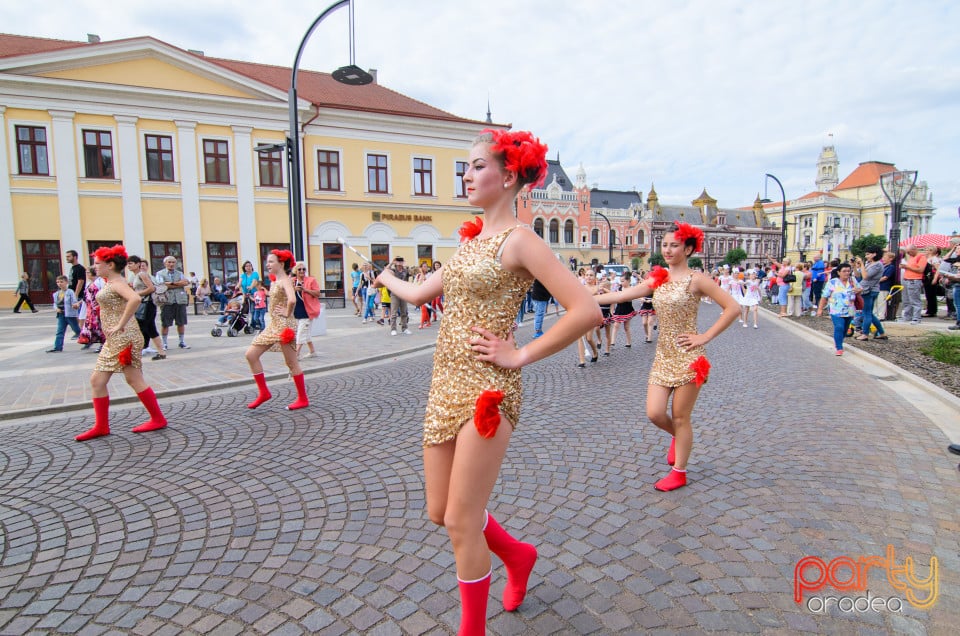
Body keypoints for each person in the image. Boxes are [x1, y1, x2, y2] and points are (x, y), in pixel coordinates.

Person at [373, 129, 600, 636]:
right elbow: (419, 293)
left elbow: (584, 310)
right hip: (444, 384)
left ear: (511, 175)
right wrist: (385, 278)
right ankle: (518, 555)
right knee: (441, 511)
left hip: (488, 390)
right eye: (467, 168)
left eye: (477, 166)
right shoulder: (472, 242)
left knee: (461, 520)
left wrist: (518, 353)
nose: (467, 175)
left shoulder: (521, 240)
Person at [595, 222, 739, 492]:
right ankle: (679, 437)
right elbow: (624, 294)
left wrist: (705, 336)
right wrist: (584, 295)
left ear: (687, 249)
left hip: (689, 356)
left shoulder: (696, 280)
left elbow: (733, 308)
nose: (668, 250)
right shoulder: (658, 278)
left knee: (681, 417)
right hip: (663, 356)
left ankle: (679, 471)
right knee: (654, 412)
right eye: (664, 245)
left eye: (674, 245)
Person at [74, 245, 168, 441]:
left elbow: (134, 299)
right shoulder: (111, 281)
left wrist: (120, 323)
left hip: (125, 337)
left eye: (98, 263)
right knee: (97, 381)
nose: (94, 266)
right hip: (116, 338)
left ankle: (157, 418)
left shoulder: (117, 282)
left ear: (110, 265)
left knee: (134, 379)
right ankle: (101, 425)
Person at [244, 249, 309, 411]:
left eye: (271, 261)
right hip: (273, 325)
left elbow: (292, 299)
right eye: (267, 262)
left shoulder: (285, 280)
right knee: (251, 354)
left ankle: (303, 398)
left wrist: (287, 312)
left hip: (284, 325)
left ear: (281, 264)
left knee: (291, 362)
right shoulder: (275, 280)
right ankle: (264, 392)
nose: (268, 264)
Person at [817, 262, 860, 356]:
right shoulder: (833, 282)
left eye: (848, 271)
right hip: (836, 309)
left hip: (849, 310)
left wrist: (857, 290)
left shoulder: (852, 280)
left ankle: (839, 341)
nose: (847, 273)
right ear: (839, 272)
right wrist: (820, 309)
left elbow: (860, 288)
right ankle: (839, 348)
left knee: (845, 329)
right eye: (844, 271)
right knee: (839, 327)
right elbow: (824, 296)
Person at [127, 256, 165, 360]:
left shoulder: (142, 274)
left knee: (141, 328)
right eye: (128, 263)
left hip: (147, 304)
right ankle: (161, 352)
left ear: (137, 264)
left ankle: (136, 352)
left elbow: (151, 288)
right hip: (142, 304)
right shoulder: (134, 276)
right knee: (151, 329)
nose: (128, 266)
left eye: (131, 263)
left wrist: (137, 293)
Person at [156, 256, 191, 350]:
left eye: (173, 262)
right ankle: (164, 343)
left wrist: (170, 284)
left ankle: (181, 341)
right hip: (167, 301)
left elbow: (185, 282)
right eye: (169, 262)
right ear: (165, 263)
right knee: (165, 323)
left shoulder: (180, 273)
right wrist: (177, 283)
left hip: (180, 300)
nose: (171, 264)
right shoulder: (160, 273)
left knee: (181, 322)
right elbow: (161, 285)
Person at [853, 248, 887, 342]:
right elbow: (858, 275)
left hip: (870, 290)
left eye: (868, 254)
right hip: (865, 290)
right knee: (869, 313)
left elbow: (865, 277)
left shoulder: (877, 265)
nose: (866, 256)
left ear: (874, 254)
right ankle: (882, 333)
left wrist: (862, 264)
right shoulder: (869, 264)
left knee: (866, 313)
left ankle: (865, 334)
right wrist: (854, 266)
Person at [293, 261, 322, 359]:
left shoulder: (311, 280)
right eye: (299, 269)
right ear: (295, 271)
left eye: (303, 269)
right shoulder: (292, 281)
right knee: (306, 332)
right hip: (296, 311)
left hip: (307, 310)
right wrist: (294, 289)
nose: (302, 271)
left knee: (301, 332)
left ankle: (296, 354)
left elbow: (318, 293)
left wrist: (305, 290)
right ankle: (312, 351)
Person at [47, 275, 80, 352]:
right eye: (58, 282)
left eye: (61, 282)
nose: (59, 283)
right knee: (60, 331)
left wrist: (75, 305)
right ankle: (58, 347)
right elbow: (55, 304)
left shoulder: (70, 292)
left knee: (77, 330)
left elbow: (74, 301)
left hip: (69, 315)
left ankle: (87, 340)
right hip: (61, 315)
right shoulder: (56, 294)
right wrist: (56, 309)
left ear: (66, 282)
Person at [78, 266, 105, 350]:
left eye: (88, 272)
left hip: (97, 307)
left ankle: (103, 344)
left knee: (99, 326)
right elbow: (86, 295)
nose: (86, 274)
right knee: (92, 326)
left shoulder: (100, 282)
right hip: (89, 307)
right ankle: (89, 341)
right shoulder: (89, 283)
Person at [898, 244, 927, 324]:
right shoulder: (911, 257)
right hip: (907, 279)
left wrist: (907, 267)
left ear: (914, 250)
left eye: (909, 252)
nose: (908, 254)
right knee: (906, 299)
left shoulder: (921, 257)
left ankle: (917, 318)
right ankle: (908, 316)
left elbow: (920, 270)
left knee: (914, 299)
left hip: (914, 280)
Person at [387, 256, 411, 335]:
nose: (400, 264)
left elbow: (413, 272)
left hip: (403, 292)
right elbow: (385, 271)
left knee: (404, 312)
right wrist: (391, 262)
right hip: (395, 293)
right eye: (398, 262)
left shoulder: (405, 270)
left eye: (401, 262)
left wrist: (405, 263)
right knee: (394, 312)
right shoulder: (393, 271)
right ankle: (393, 329)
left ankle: (404, 328)